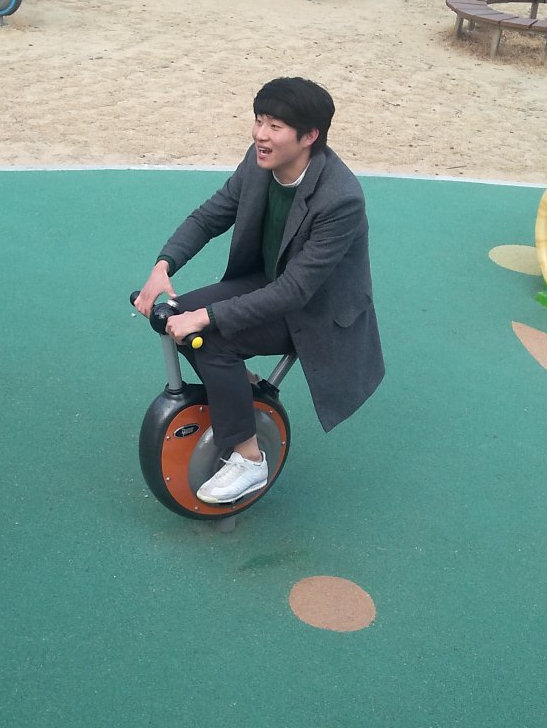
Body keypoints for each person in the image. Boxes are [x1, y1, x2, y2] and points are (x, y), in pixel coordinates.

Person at [135, 77, 384, 505]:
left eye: (275, 126)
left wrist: (208, 317)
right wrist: (164, 265)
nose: (260, 135)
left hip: (315, 311)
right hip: (268, 282)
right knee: (178, 317)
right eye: (258, 121)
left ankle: (251, 461)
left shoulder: (340, 199)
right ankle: (243, 391)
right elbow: (211, 215)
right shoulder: (259, 163)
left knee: (210, 336)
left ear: (309, 136)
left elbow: (296, 291)